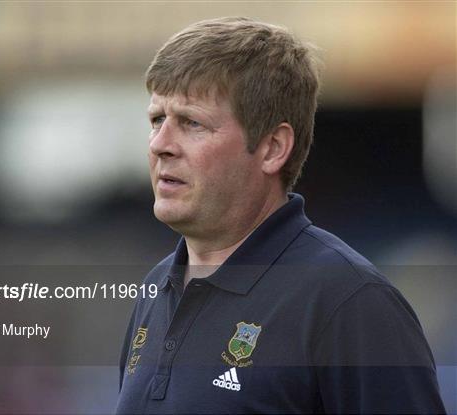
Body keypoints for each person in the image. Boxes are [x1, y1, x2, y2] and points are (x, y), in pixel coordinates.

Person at [115, 17, 446, 414]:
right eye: (157, 120)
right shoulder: (157, 288)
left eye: (192, 123)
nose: (160, 145)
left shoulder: (349, 301)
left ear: (273, 148)